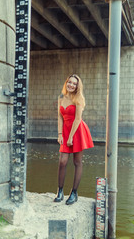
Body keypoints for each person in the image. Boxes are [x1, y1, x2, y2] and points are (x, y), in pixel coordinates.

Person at [54, 74, 94, 205]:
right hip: (65, 131)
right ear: (66, 83)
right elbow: (60, 117)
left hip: (77, 131)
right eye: (69, 82)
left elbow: (77, 119)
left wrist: (71, 136)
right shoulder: (61, 97)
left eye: (74, 83)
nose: (71, 85)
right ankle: (60, 191)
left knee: (77, 162)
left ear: (78, 86)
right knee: (62, 161)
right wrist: (60, 134)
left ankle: (74, 193)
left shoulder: (79, 99)